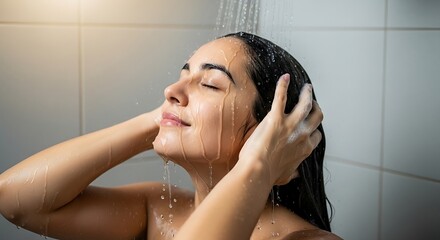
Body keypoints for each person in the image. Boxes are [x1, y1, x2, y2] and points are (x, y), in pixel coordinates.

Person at [0, 32, 341, 240]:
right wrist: (158, 119)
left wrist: (258, 166)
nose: (171, 90)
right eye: (181, 77)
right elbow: (16, 200)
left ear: (272, 131)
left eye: (209, 84)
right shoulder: (160, 209)